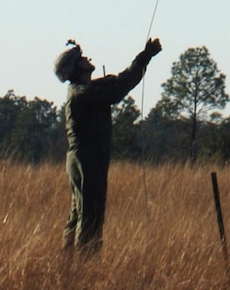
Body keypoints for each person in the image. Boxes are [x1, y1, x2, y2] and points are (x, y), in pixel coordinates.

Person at [55, 36, 162, 250]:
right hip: (86, 160)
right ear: (75, 68)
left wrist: (142, 60)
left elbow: (119, 81)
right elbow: (117, 89)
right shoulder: (83, 94)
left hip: (83, 159)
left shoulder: (86, 90)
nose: (87, 58)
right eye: (81, 58)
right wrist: (144, 57)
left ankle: (67, 267)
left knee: (79, 214)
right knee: (90, 216)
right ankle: (85, 267)